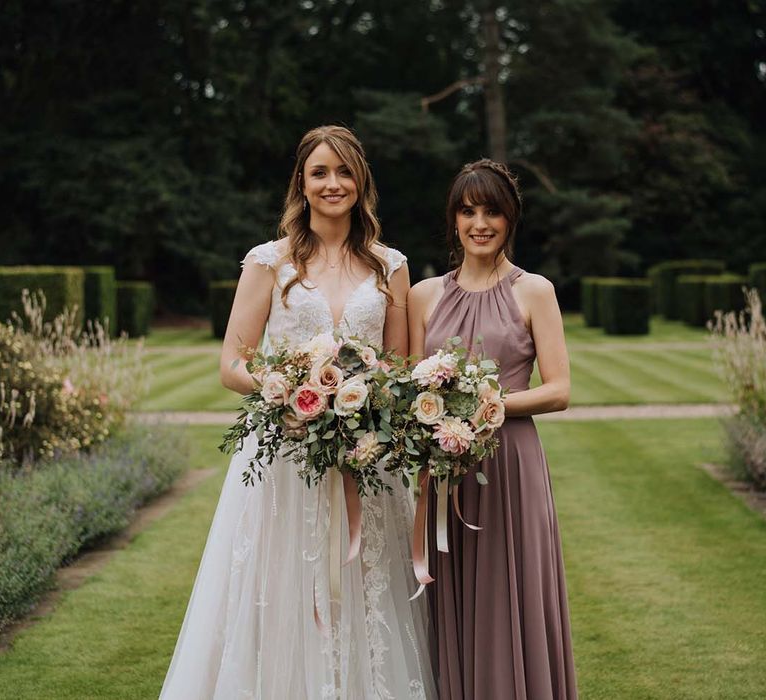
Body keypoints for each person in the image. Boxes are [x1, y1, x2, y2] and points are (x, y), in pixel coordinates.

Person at [160, 125, 435, 699]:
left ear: (361, 182)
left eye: (343, 172)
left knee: (366, 586)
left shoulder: (391, 266)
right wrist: (282, 390)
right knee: (281, 581)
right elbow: (232, 363)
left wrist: (369, 408)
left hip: (366, 457)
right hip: (284, 456)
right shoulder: (268, 263)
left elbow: (402, 367)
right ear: (302, 184)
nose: (332, 184)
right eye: (319, 172)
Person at [408, 159, 578, 699]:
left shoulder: (535, 291)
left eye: (492, 212)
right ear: (454, 220)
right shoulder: (423, 295)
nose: (480, 223)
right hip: (445, 470)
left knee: (514, 590)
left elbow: (559, 389)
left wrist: (487, 405)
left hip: (510, 464)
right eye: (468, 211)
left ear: (511, 219)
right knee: (453, 594)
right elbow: (413, 391)